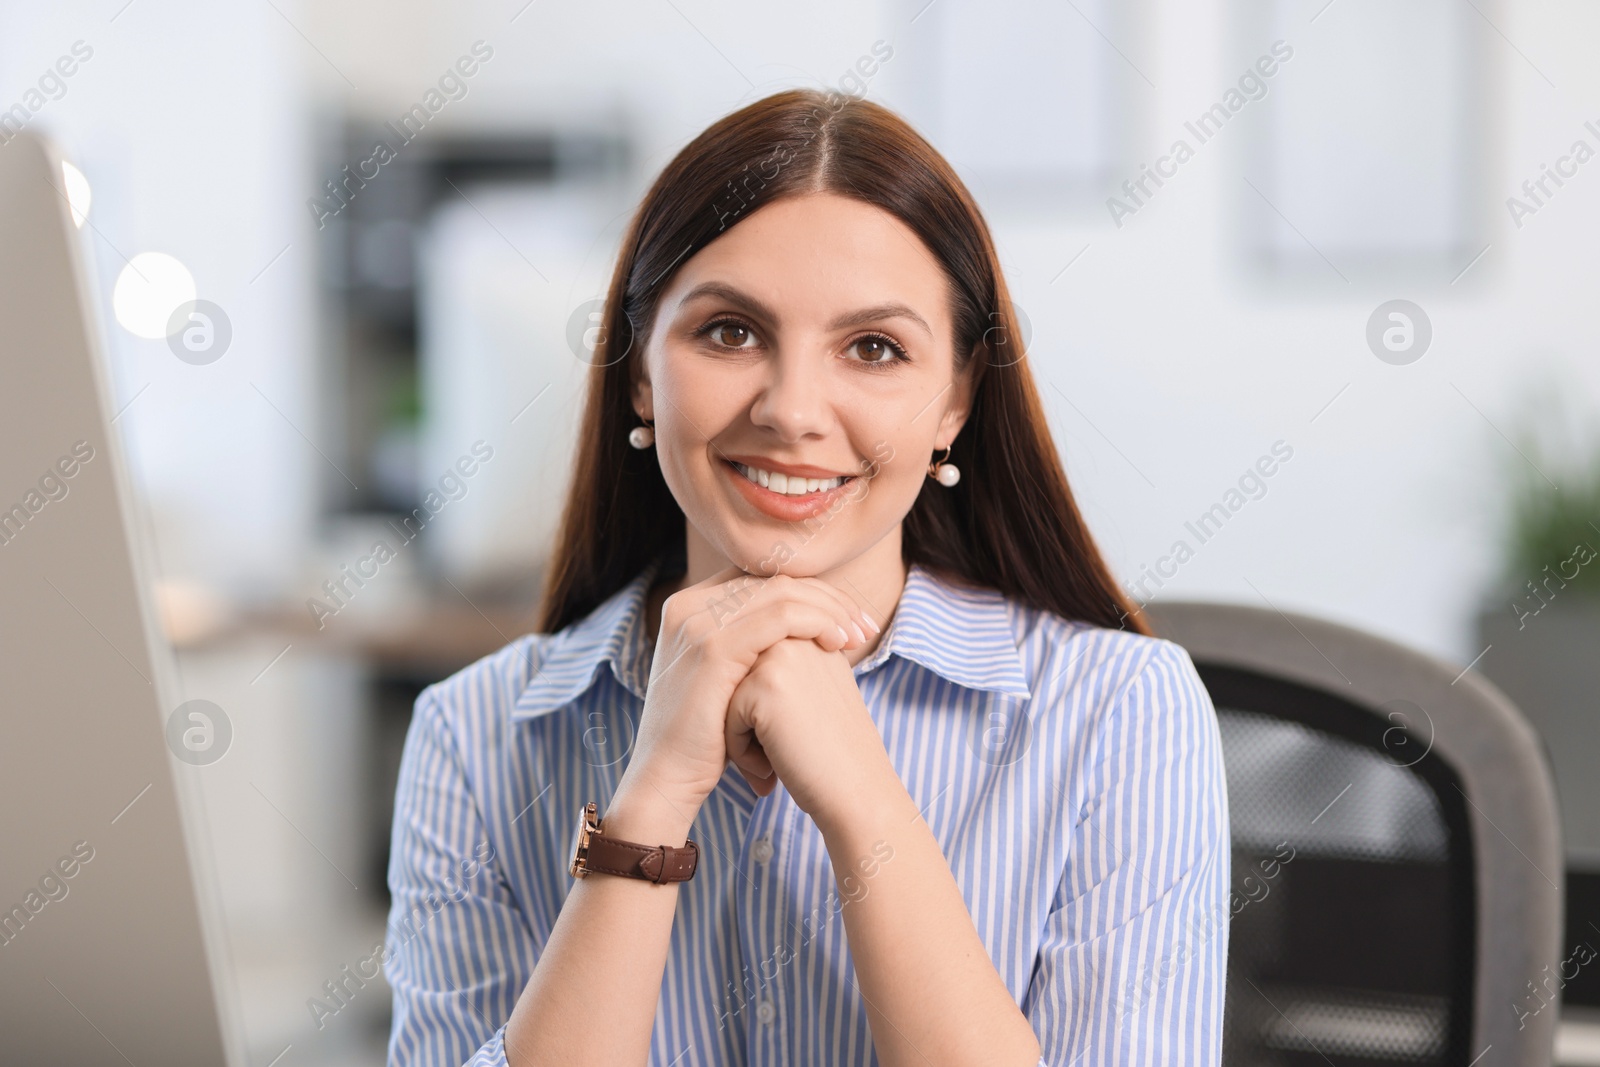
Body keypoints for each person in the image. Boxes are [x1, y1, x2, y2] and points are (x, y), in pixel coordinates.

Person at [384, 87, 1229, 1067]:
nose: (792, 409)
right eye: (729, 331)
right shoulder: (473, 735)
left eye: (873, 348)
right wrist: (650, 799)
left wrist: (865, 801)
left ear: (955, 400)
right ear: (642, 373)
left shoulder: (1121, 712)